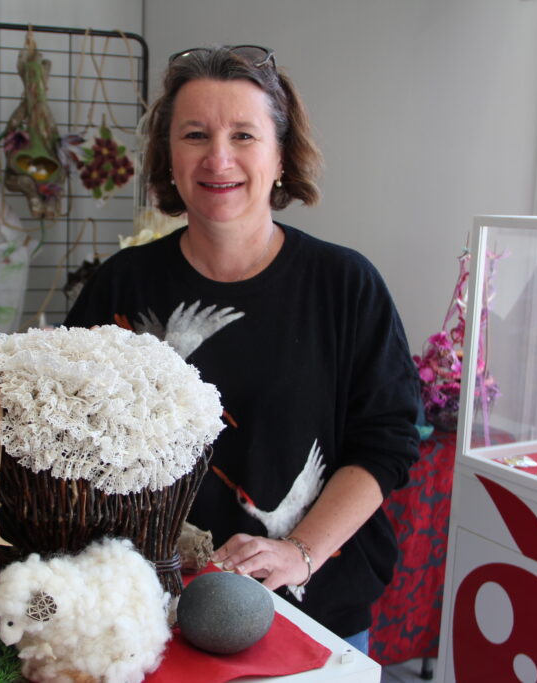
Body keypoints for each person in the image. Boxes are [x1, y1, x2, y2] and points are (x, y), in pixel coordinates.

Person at [64, 45, 419, 653]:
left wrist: (300, 551)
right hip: (146, 612)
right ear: (167, 159)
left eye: (245, 135)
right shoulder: (120, 286)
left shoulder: (344, 286)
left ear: (281, 156)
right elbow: (64, 430)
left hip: (312, 614)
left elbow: (387, 442)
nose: (218, 158)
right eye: (195, 134)